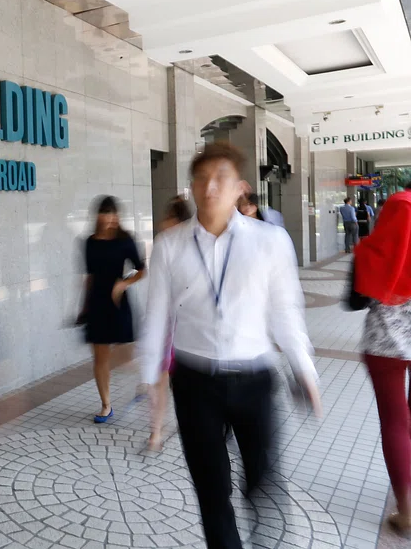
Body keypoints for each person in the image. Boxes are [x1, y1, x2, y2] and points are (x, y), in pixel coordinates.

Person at [140, 142, 321, 549]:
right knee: (211, 490)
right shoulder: (170, 245)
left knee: (263, 484)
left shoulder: (270, 241)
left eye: (220, 178)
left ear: (240, 187)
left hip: (254, 379)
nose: (209, 188)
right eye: (201, 179)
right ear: (191, 186)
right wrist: (151, 377)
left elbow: (285, 311)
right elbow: (156, 317)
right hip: (194, 383)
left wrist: (304, 369)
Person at [352, 190, 411, 536]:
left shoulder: (399, 208)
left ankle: (406, 512)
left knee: (395, 421)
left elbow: (360, 294)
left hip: (386, 339)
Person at [76, 196, 146, 424]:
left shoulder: (125, 240)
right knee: (100, 358)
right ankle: (106, 405)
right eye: (105, 213)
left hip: (118, 302)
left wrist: (123, 284)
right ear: (98, 215)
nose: (109, 218)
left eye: (112, 213)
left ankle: (144, 380)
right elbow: (90, 277)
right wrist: (83, 307)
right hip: (96, 303)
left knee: (125, 355)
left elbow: (142, 270)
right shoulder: (90, 242)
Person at [148, 195, 192, 452]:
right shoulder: (164, 245)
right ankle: (156, 431)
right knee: (160, 380)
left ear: (178, 221)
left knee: (177, 382)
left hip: (184, 328)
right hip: (166, 327)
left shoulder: (190, 248)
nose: (163, 222)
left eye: (168, 217)